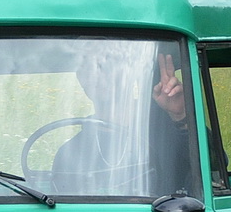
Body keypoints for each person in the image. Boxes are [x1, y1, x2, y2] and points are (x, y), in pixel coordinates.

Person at [51, 47, 197, 197]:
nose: (97, 74)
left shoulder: (168, 129)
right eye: (89, 67)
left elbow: (213, 169)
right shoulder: (69, 153)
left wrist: (181, 116)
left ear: (131, 73)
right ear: (81, 79)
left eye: (107, 65)